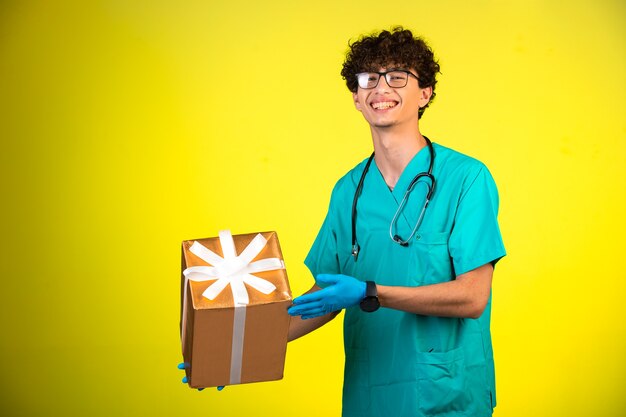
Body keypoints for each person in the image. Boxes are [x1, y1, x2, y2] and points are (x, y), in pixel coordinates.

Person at [287, 26, 506, 417]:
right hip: (369, 395)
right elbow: (322, 299)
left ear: (425, 93)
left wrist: (371, 291)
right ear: (356, 97)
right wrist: (234, 353)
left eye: (397, 77)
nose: (381, 88)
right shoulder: (348, 190)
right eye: (369, 78)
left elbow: (473, 296)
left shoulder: (466, 179)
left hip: (445, 395)